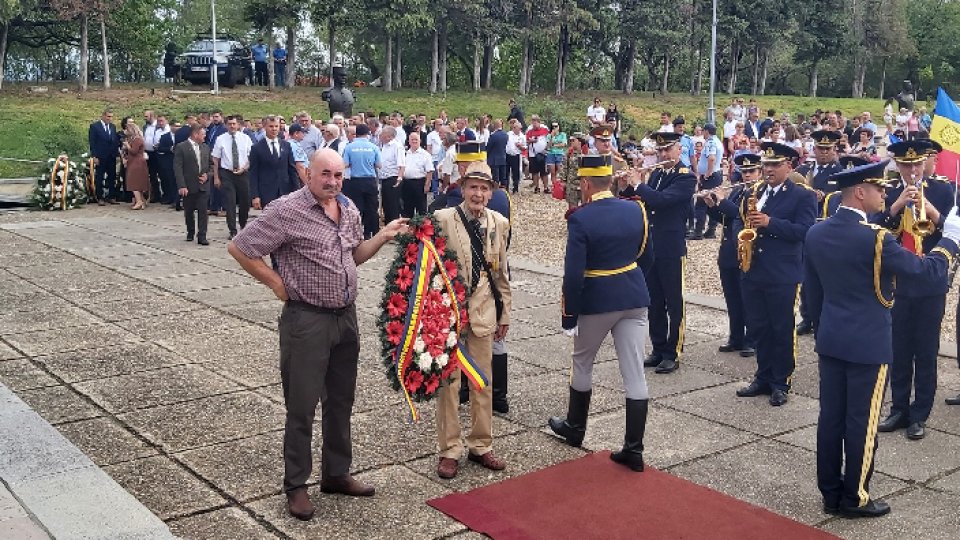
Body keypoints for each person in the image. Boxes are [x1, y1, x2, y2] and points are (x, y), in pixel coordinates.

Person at [228, 148, 407, 521]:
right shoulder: (286, 210)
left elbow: (352, 256)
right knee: (302, 406)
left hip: (346, 318)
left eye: (338, 175)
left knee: (341, 402)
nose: (332, 181)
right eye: (325, 174)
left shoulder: (348, 209)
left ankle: (336, 473)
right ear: (307, 173)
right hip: (306, 321)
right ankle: (296, 485)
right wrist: (277, 284)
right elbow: (241, 248)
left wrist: (385, 237)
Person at [805, 159, 960, 518]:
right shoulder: (876, 239)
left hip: (831, 339)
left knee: (831, 419)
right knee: (862, 422)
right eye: (878, 188)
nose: (885, 192)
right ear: (860, 193)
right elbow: (927, 272)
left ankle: (830, 492)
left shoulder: (817, 232)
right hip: (868, 344)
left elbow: (813, 296)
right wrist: (951, 239)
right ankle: (855, 497)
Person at [548, 153, 653, 472]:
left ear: (585, 183)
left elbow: (573, 274)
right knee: (634, 371)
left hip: (597, 299)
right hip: (634, 295)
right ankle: (634, 449)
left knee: (582, 361)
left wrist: (569, 316)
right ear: (610, 179)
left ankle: (575, 429)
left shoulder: (581, 217)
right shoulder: (636, 208)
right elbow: (643, 253)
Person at [433, 161, 512, 480]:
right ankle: (449, 449)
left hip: (483, 312)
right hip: (448, 313)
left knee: (483, 382)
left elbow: (502, 272)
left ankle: (481, 444)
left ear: (491, 193)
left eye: (484, 188)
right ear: (462, 189)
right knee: (448, 385)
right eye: (472, 187)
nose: (478, 193)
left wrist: (504, 311)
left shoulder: (500, 223)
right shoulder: (441, 219)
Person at [874, 140, 956, 440]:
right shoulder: (887, 190)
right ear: (899, 166)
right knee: (898, 348)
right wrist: (896, 205)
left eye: (917, 164)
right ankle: (898, 408)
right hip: (897, 280)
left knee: (925, 351)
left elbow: (953, 233)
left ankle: (920, 413)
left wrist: (931, 210)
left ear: (926, 162)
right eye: (906, 165)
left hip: (930, 282)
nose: (912, 170)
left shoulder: (943, 190)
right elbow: (874, 229)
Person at [735, 142, 817, 406]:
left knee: (781, 327)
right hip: (753, 269)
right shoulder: (756, 191)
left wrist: (770, 223)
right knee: (759, 326)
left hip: (782, 272)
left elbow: (806, 232)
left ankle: (781, 382)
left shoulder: (802, 195)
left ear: (788, 166)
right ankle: (763, 375)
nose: (768, 169)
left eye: (774, 165)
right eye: (766, 165)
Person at [623, 132, 696, 374]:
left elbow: (662, 201)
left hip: (672, 247)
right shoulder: (656, 174)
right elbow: (642, 201)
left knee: (674, 302)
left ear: (679, 150)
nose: (663, 155)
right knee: (653, 301)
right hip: (652, 246)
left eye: (668, 150)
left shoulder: (686, 177)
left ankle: (673, 352)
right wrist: (626, 186)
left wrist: (639, 184)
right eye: (661, 150)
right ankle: (658, 347)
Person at [704, 153, 761, 357]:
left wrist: (722, 201)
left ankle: (751, 340)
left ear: (759, 172)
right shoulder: (738, 192)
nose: (747, 176)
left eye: (751, 171)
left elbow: (740, 215)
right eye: (744, 172)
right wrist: (711, 205)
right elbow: (726, 219)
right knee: (732, 297)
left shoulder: (759, 193)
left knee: (748, 299)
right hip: (729, 250)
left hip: (747, 252)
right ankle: (735, 337)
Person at [794, 130, 843, 335]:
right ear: (814, 149)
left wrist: (826, 196)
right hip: (807, 226)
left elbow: (844, 197)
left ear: (834, 150)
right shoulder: (805, 169)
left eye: (828, 149)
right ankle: (808, 317)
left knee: (827, 276)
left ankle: (825, 318)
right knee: (806, 275)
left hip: (829, 228)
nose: (824, 152)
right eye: (820, 148)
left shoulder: (841, 171)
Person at [211, 115, 254, 239]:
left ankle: (243, 225)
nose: (232, 126)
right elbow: (215, 159)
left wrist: (244, 168)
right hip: (227, 173)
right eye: (229, 124)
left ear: (238, 125)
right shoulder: (221, 139)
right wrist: (216, 177)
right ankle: (232, 230)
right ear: (226, 125)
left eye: (234, 124)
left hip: (243, 173)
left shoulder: (245, 139)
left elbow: (251, 157)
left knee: (245, 201)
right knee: (229, 202)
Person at [249, 115, 300, 212]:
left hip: (285, 191)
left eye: (276, 126)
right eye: (271, 126)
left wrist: (297, 191)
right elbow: (253, 173)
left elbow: (292, 170)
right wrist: (255, 195)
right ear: (265, 127)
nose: (274, 129)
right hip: (266, 192)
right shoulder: (257, 148)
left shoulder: (286, 145)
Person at [174, 124, 213, 245]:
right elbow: (178, 167)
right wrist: (182, 185)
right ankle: (190, 231)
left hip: (203, 185)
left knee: (203, 210)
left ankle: (202, 235)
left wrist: (207, 175)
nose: (205, 136)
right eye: (203, 134)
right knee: (189, 210)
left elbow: (211, 165)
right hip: (189, 185)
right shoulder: (182, 147)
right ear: (195, 135)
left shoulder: (205, 147)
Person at [341, 124, 382, 238]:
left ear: (356, 134)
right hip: (370, 180)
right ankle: (372, 232)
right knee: (372, 207)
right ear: (367, 134)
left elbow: (345, 164)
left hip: (355, 181)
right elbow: (379, 164)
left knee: (357, 208)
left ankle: (357, 232)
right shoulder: (373, 147)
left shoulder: (349, 147)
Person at [693, 124, 723, 240]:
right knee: (713, 202)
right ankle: (711, 230)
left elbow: (711, 158)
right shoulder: (718, 141)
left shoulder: (711, 142)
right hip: (716, 174)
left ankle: (698, 231)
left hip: (711, 176)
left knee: (701, 202)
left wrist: (707, 174)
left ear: (706, 131)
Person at [88, 108, 120, 205]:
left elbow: (114, 141)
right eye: (108, 116)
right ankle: (100, 197)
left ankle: (111, 196)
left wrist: (116, 153)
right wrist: (94, 156)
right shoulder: (95, 126)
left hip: (111, 156)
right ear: (103, 116)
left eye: (111, 117)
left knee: (112, 176)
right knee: (100, 177)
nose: (109, 119)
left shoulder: (113, 127)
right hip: (100, 156)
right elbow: (92, 142)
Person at [378, 126, 406, 224]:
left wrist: (399, 178)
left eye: (382, 134)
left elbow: (401, 164)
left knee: (393, 206)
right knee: (386, 206)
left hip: (393, 178)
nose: (380, 135)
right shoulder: (384, 146)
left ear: (389, 136)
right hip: (384, 179)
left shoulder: (397, 146)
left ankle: (395, 229)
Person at [400, 132, 432, 216]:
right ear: (409, 141)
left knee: (421, 209)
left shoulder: (425, 154)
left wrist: (427, 185)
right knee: (407, 208)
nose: (414, 141)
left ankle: (421, 228)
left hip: (419, 183)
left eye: (416, 139)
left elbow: (429, 171)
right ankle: (408, 228)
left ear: (420, 141)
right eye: (412, 139)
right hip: (406, 184)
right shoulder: (405, 153)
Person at [123, 123, 149, 210]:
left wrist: (127, 146)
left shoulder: (137, 139)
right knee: (137, 182)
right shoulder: (132, 139)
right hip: (133, 161)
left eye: (127, 129)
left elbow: (134, 151)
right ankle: (142, 200)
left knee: (134, 182)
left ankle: (139, 201)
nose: (125, 131)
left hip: (137, 163)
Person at [526, 116, 549, 194]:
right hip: (533, 154)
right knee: (534, 172)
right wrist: (531, 141)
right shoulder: (529, 131)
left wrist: (546, 149)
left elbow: (549, 140)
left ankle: (546, 187)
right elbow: (526, 141)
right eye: (533, 123)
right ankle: (537, 187)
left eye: (535, 123)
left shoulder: (545, 129)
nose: (534, 125)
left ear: (539, 122)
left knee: (544, 172)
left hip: (543, 154)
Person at [562, 133, 585, 209]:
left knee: (585, 207)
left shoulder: (588, 153)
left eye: (573, 140)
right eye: (570, 140)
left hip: (584, 185)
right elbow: (564, 167)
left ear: (579, 141)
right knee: (572, 208)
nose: (571, 142)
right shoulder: (569, 153)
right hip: (572, 184)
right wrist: (563, 180)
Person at [486, 119, 509, 188]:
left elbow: (489, 147)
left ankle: (495, 190)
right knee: (503, 176)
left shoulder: (493, 136)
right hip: (503, 157)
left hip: (493, 159)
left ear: (494, 125)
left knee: (495, 177)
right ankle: (504, 190)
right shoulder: (505, 135)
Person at [546, 123, 567, 191]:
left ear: (559, 127)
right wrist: (552, 137)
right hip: (551, 154)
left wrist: (554, 145)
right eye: (553, 126)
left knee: (560, 170)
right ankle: (555, 187)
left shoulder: (562, 134)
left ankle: (560, 186)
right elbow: (548, 146)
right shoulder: (549, 135)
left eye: (556, 126)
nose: (554, 128)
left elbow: (563, 144)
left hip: (559, 154)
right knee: (552, 172)